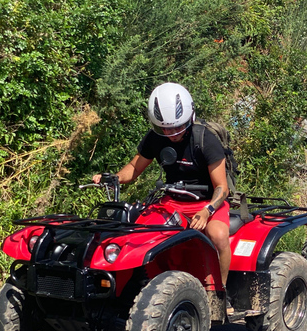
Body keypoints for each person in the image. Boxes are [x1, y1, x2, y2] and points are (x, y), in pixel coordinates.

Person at [92, 82, 231, 287]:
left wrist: (207, 211)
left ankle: (219, 292)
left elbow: (222, 188)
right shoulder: (155, 138)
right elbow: (134, 168)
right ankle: (129, 288)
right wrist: (114, 178)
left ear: (189, 118)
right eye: (164, 129)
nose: (171, 134)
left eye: (177, 127)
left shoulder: (205, 139)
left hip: (206, 203)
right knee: (136, 234)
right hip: (171, 202)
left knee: (218, 236)